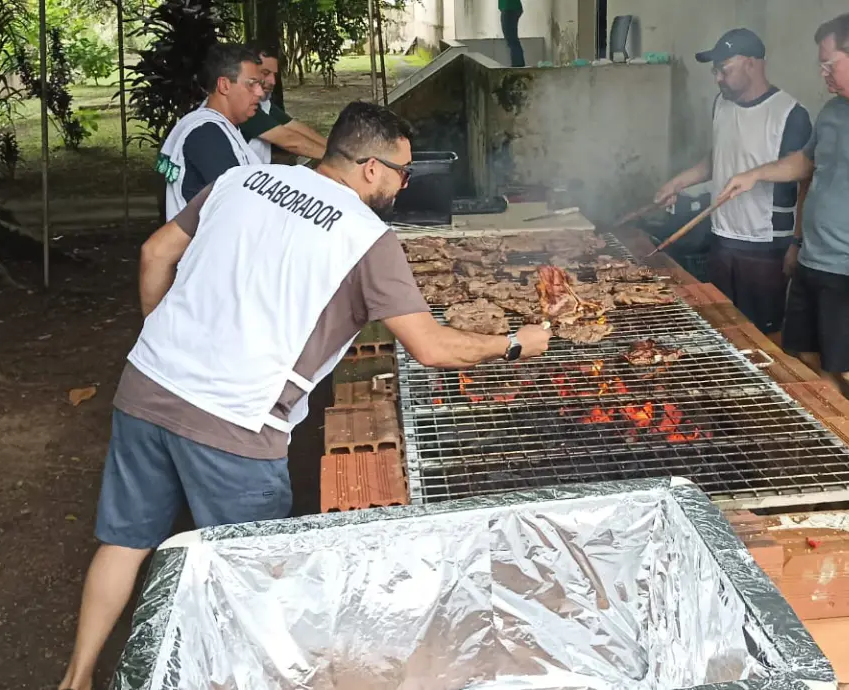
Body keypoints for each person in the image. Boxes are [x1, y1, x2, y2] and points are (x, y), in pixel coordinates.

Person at [55, 101, 552, 690]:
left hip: (146, 385)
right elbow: (431, 347)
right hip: (236, 423)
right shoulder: (367, 238)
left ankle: (77, 678)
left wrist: (161, 338)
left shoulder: (240, 180)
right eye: (402, 172)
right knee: (254, 579)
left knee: (125, 541)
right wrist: (516, 343)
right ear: (370, 167)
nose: (403, 185)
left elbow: (155, 252)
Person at [720, 12, 849, 421]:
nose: (823, 74)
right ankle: (839, 439)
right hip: (814, 260)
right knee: (807, 354)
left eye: (828, 63)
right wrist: (755, 175)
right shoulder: (834, 112)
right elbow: (806, 164)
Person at [654, 28, 811, 341]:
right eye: (715, 71)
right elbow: (721, 156)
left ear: (752, 64)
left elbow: (805, 175)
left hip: (765, 243)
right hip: (722, 237)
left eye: (724, 70)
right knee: (723, 326)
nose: (718, 79)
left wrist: (796, 242)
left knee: (765, 335)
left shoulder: (789, 113)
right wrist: (679, 182)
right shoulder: (721, 105)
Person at [155, 43, 266, 221]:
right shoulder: (206, 135)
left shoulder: (217, 127)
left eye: (260, 84)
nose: (260, 92)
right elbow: (240, 206)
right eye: (252, 84)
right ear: (224, 85)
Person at [239, 44, 329, 162]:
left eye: (274, 74)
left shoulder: (263, 103)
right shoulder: (242, 105)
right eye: (265, 73)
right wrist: (340, 160)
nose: (273, 81)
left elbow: (294, 127)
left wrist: (335, 149)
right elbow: (290, 141)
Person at [500, 0, 525, 67]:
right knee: (512, 41)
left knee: (512, 41)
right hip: (510, 7)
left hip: (509, 7)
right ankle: (518, 65)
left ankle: (518, 66)